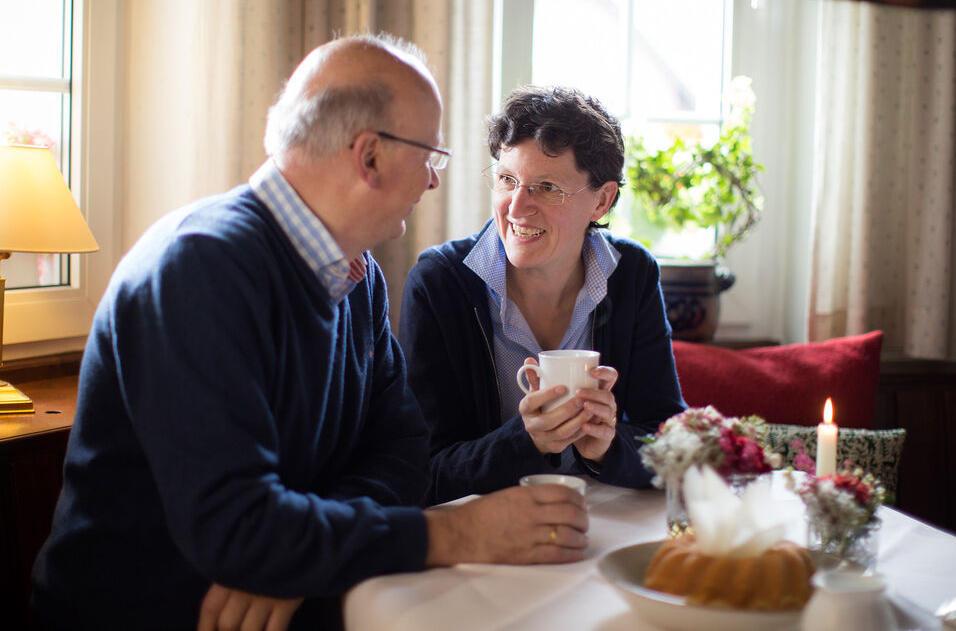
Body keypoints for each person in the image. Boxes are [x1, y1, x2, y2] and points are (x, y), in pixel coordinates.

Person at [31, 36, 588, 631]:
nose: (432, 179)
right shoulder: (200, 268)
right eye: (430, 153)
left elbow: (401, 454)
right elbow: (237, 529)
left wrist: (298, 555)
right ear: (369, 156)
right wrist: (453, 532)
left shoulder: (358, 270)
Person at [399, 85, 687, 504]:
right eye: (507, 180)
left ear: (602, 201)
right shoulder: (440, 283)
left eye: (547, 187)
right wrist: (526, 441)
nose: (517, 207)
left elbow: (670, 440)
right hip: (487, 533)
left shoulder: (631, 275)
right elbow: (422, 472)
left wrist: (608, 447)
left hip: (601, 521)